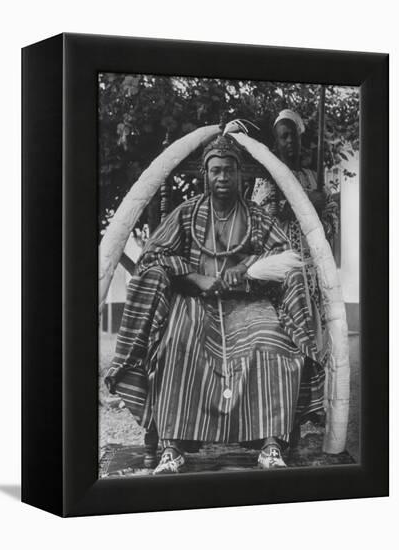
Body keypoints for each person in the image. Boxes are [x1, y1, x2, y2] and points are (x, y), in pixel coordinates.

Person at [105, 134, 320, 474]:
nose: (222, 178)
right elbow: (154, 256)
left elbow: (284, 255)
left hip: (248, 305)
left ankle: (271, 445)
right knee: (174, 345)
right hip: (194, 303)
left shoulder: (256, 217)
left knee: (273, 344)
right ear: (206, 174)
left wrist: (247, 269)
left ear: (240, 175)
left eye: (229, 171)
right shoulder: (186, 214)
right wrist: (194, 277)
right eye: (216, 170)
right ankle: (171, 448)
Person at [251, 109, 338, 427]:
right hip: (282, 262)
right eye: (283, 136)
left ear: (301, 139)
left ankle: (313, 403)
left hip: (311, 262)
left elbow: (329, 216)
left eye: (293, 136)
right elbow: (262, 218)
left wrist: (321, 207)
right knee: (288, 330)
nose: (289, 142)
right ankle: (282, 407)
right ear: (276, 141)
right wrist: (304, 202)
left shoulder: (312, 176)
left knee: (316, 327)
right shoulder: (267, 174)